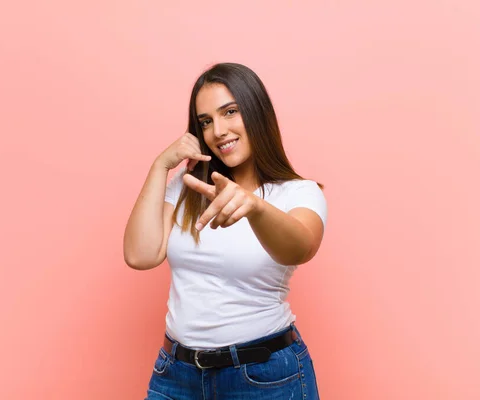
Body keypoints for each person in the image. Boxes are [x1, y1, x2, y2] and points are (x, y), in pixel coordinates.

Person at [123, 62, 327, 399]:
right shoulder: (188, 187)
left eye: (230, 112)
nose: (218, 131)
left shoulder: (299, 192)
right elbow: (139, 255)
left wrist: (254, 207)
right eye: (206, 121)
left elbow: (301, 248)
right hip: (176, 375)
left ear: (257, 112)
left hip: (265, 378)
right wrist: (160, 166)